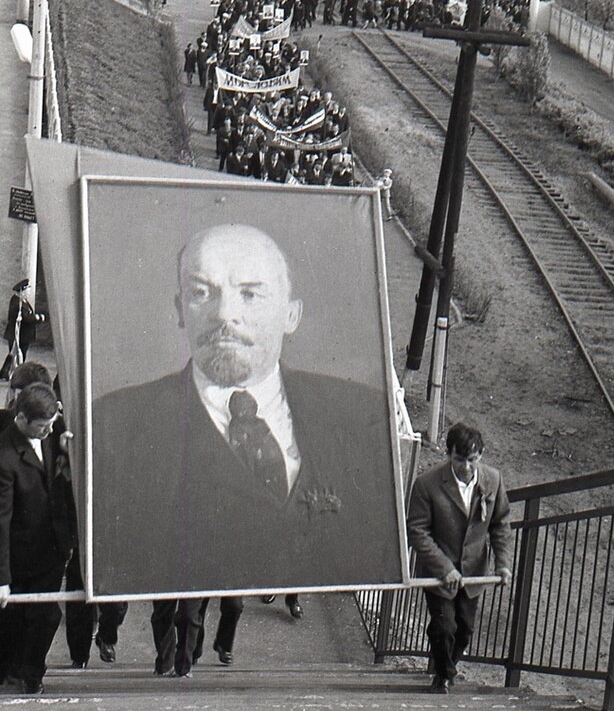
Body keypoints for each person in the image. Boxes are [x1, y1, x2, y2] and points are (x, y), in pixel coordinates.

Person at [92, 224, 400, 596]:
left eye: (251, 295)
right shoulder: (115, 425)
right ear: (180, 310)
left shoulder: (362, 414)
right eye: (201, 293)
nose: (225, 314)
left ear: (291, 315)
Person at [407, 422, 512, 694]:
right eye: (459, 459)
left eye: (472, 460)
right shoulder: (427, 484)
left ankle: (445, 668)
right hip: (438, 573)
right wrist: (444, 568)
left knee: (464, 630)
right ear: (448, 455)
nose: (466, 466)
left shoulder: (493, 480)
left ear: (482, 455)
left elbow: (500, 524)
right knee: (444, 627)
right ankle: (443, 676)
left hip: (474, 571)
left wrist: (502, 563)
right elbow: (418, 531)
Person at [0, 383, 72, 694]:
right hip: (20, 554)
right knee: (13, 620)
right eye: (43, 427)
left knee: (45, 615)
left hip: (52, 549)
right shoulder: (5, 457)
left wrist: (67, 447)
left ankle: (31, 674)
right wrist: (1, 578)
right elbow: (0, 521)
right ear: (22, 419)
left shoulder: (53, 434)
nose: (50, 431)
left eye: (52, 424)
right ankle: (10, 671)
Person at [1, 280, 46, 381]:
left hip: (23, 335)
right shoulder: (17, 303)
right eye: (28, 290)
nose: (29, 292)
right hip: (18, 334)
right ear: (22, 291)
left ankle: (5, 373)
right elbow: (26, 318)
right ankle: (13, 374)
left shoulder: (22, 301)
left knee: (15, 354)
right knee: (17, 355)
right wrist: (38, 318)